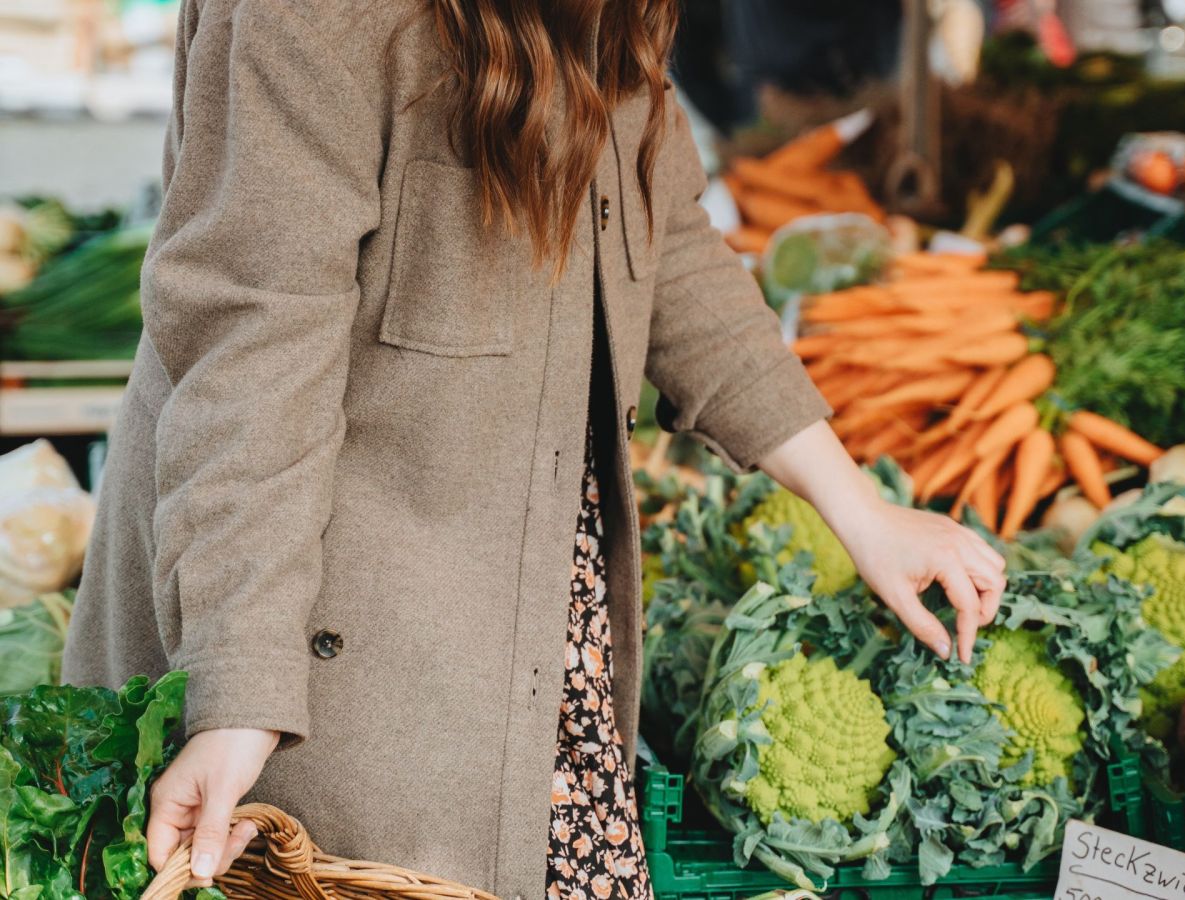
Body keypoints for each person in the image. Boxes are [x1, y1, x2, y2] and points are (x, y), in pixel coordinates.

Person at [61, 1, 1007, 898]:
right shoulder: (312, 17)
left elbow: (668, 240)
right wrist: (237, 690)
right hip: (329, 646)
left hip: (533, 621)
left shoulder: (601, 16)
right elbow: (252, 357)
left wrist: (860, 511)